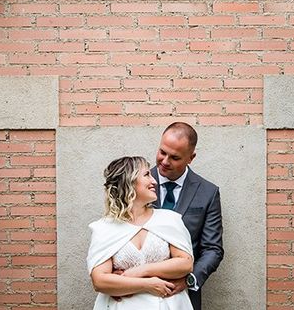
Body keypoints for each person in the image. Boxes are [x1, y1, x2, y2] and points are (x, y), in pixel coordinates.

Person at [87, 156, 195, 310]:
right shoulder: (104, 228)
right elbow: (100, 281)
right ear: (129, 182)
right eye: (146, 175)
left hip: (168, 304)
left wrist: (139, 271)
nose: (154, 181)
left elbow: (185, 263)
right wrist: (147, 284)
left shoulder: (170, 219)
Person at [151, 122, 224, 310]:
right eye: (162, 152)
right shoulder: (135, 182)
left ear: (191, 158)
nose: (165, 161)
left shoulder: (208, 192)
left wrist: (189, 280)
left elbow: (213, 249)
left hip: (183, 295)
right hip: (137, 292)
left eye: (174, 157)